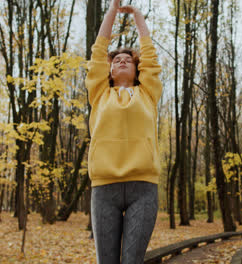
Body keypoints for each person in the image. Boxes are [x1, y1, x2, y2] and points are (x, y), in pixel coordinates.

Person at [85, 0, 163, 263]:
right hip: (104, 187)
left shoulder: (148, 92)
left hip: (144, 188)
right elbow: (98, 52)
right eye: (116, 60)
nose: (121, 62)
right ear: (108, 69)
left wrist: (138, 15)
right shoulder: (99, 94)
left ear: (136, 68)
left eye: (127, 60)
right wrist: (112, 10)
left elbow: (150, 57)